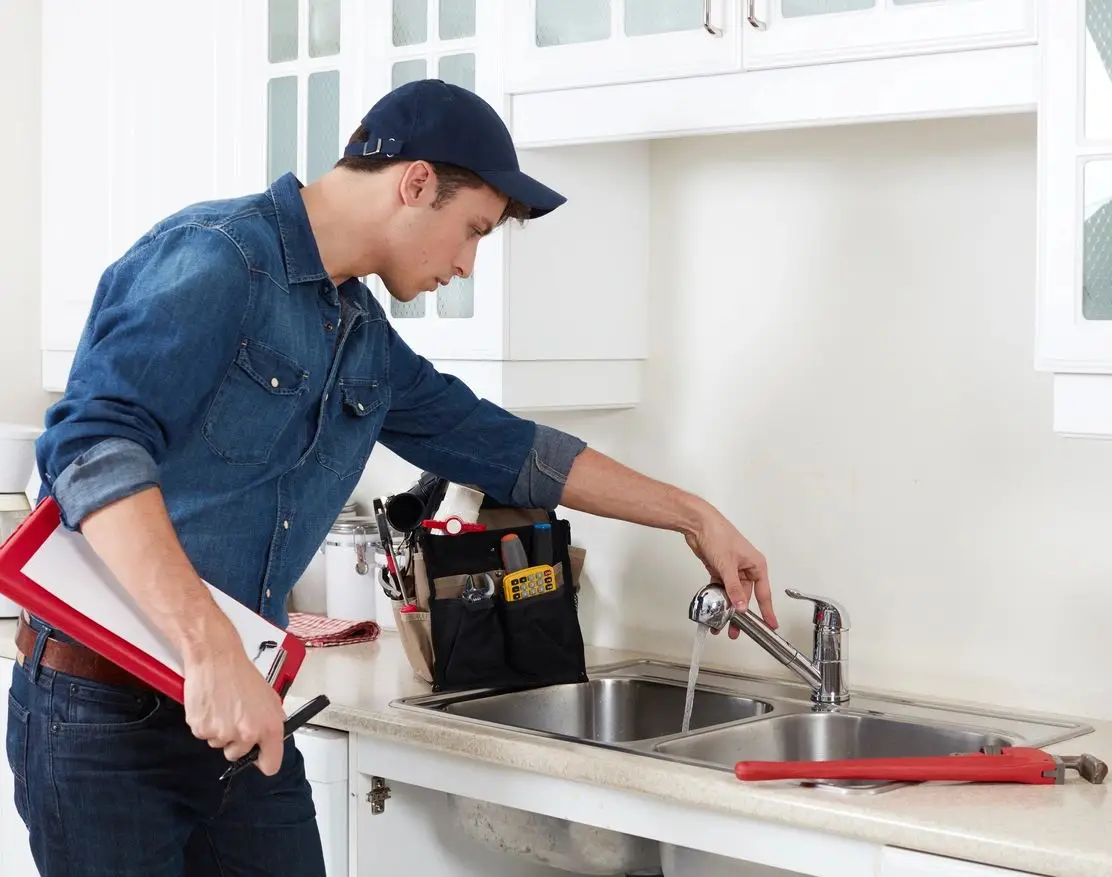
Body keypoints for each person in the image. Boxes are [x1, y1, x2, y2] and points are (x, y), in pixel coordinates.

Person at [7, 79, 778, 876]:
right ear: (414, 183)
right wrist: (209, 649)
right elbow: (91, 447)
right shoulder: (218, 258)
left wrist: (693, 515)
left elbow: (511, 450)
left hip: (244, 712)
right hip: (103, 716)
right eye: (472, 229)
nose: (468, 263)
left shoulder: (362, 338)